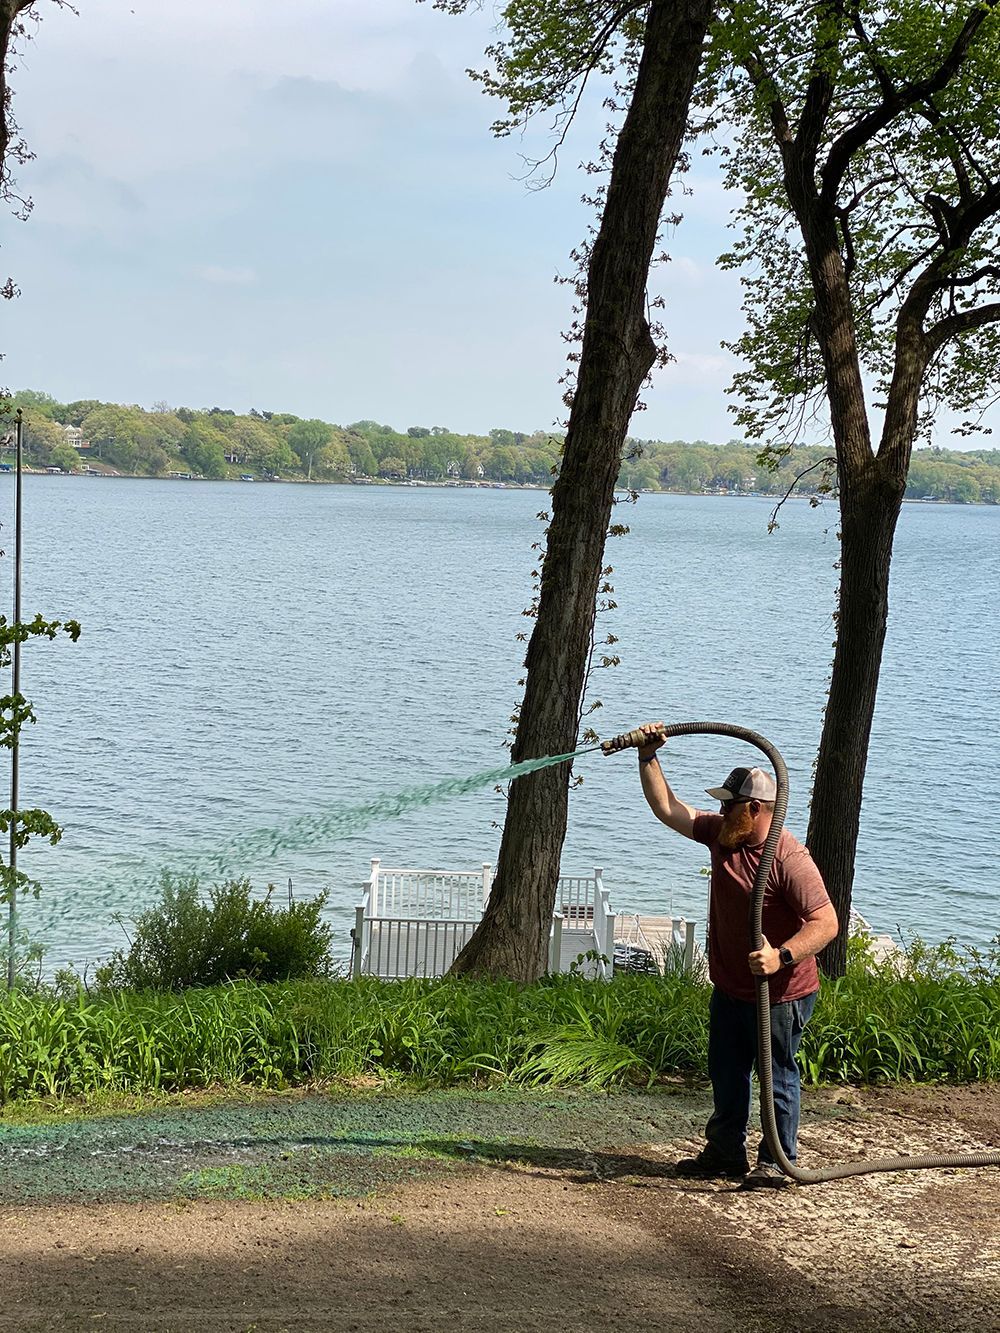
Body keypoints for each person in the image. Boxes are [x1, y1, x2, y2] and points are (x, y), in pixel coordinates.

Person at [625, 722, 838, 1189]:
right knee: (727, 1073)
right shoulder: (724, 835)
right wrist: (648, 756)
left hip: (780, 993)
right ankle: (725, 1154)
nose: (721, 810)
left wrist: (782, 955)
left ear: (755, 809)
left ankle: (776, 1162)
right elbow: (668, 809)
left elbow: (826, 923)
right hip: (731, 988)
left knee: (777, 1077)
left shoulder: (789, 861)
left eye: (729, 804)